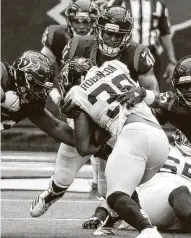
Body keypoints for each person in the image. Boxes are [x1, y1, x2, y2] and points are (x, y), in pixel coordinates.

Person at [30, 5, 159, 219]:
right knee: (64, 174)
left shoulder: (137, 53)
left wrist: (141, 93)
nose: (111, 39)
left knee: (107, 184)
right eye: (108, 33)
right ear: (98, 30)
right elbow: (59, 77)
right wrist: (61, 98)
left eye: (118, 35)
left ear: (127, 36)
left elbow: (154, 91)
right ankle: (53, 192)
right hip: (83, 116)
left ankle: (114, 215)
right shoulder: (77, 45)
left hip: (115, 120)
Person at [62, 57, 169, 238]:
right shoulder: (115, 66)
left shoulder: (75, 92)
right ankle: (112, 221)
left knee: (115, 194)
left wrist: (71, 114)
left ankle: (148, 230)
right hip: (159, 138)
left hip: (134, 136)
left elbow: (83, 148)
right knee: (123, 182)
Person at [114, 55, 191, 233]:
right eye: (184, 87)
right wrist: (139, 93)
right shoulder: (175, 105)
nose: (190, 92)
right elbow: (156, 100)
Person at [83, 130, 191, 237]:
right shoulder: (162, 149)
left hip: (189, 208)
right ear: (178, 134)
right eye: (190, 135)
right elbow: (123, 187)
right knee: (179, 189)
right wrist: (99, 215)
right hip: (153, 202)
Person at [39, 0, 101, 204]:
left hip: (97, 93)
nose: (82, 25)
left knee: (100, 134)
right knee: (77, 137)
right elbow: (42, 71)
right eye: (77, 20)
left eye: (87, 21)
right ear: (68, 20)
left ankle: (99, 181)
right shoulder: (57, 36)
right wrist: (57, 98)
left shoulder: (102, 40)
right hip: (69, 93)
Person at [1, 50, 75, 146]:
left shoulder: (29, 103)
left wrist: (93, 144)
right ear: (24, 78)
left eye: (43, 90)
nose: (40, 94)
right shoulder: (4, 72)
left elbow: (56, 127)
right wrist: (3, 97)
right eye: (37, 87)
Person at [108, 0, 177, 90]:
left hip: (150, 55)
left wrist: (172, 61)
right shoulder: (118, 2)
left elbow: (165, 32)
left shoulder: (158, 4)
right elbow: (106, 29)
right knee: (122, 91)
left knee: (151, 93)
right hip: (123, 54)